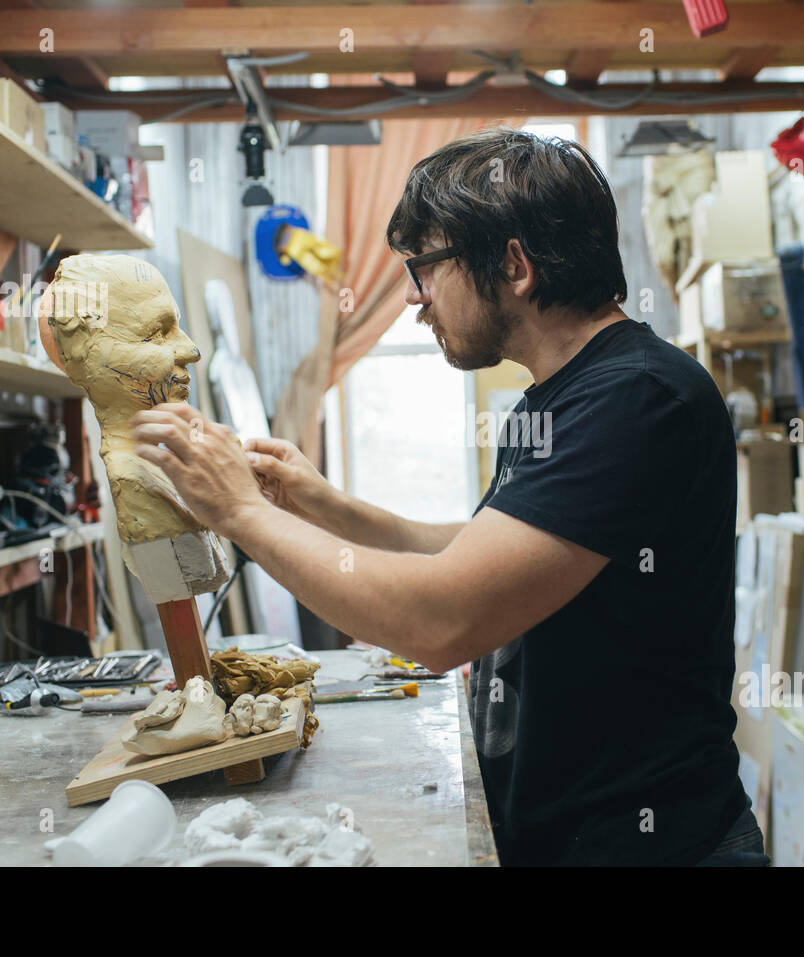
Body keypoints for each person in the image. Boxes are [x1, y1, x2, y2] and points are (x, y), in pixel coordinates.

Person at [130, 128, 763, 866]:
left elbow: (445, 618)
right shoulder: (558, 400)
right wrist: (321, 504)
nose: (410, 297)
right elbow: (487, 553)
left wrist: (241, 512)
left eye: (423, 266)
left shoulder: (635, 399)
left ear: (515, 265)